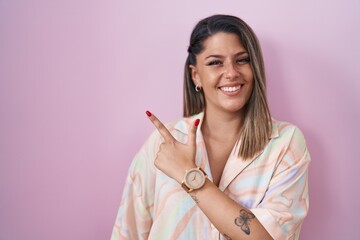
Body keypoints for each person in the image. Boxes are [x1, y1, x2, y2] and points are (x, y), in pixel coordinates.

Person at [110, 14, 310, 240]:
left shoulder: (285, 143)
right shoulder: (163, 143)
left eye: (242, 60)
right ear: (196, 75)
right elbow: (128, 233)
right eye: (215, 62)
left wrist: (189, 176)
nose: (232, 73)